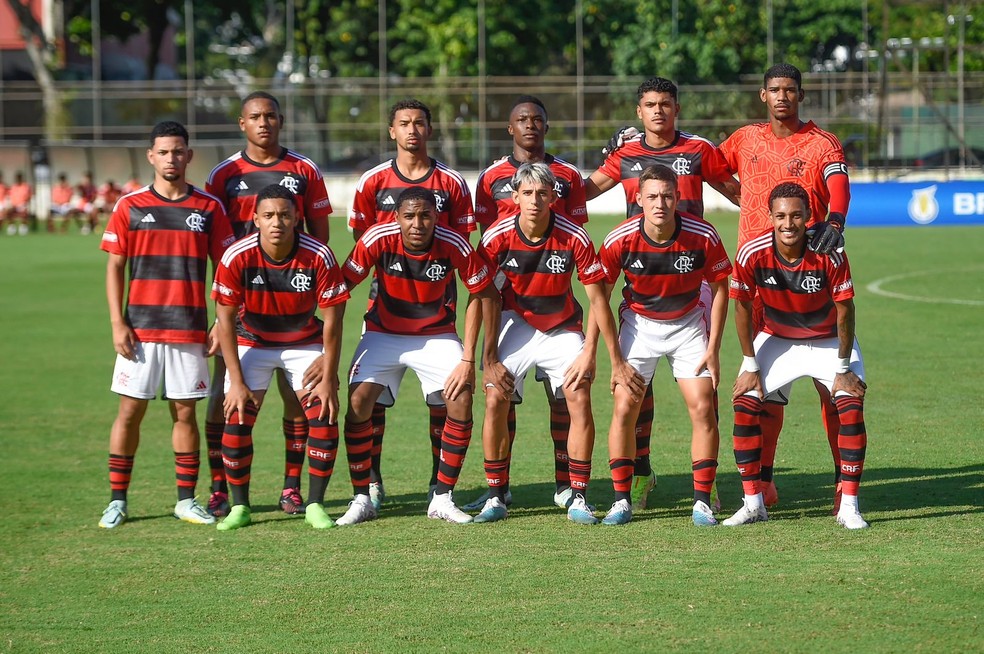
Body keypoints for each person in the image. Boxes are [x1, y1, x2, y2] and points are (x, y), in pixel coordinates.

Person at [585, 76, 740, 510]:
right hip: (641, 277)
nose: (658, 111)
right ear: (639, 111)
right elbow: (583, 192)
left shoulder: (699, 149)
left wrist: (783, 219)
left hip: (694, 277)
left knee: (703, 393)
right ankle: (640, 474)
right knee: (635, 391)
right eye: (650, 104)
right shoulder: (625, 154)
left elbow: (736, 192)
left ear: (676, 109)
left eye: (665, 104)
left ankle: (707, 483)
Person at [474, 162, 644, 524]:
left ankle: (578, 495)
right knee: (494, 397)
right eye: (527, 193)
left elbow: (598, 299)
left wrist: (602, 356)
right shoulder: (496, 236)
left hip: (562, 327)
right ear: (515, 197)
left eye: (542, 193)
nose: (534, 200)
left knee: (578, 394)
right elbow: (480, 295)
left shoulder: (574, 236)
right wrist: (485, 359)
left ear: (553, 197)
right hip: (514, 323)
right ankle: (495, 495)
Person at [719, 62, 851, 512]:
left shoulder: (821, 142)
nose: (782, 96)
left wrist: (835, 221)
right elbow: (703, 163)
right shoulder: (744, 139)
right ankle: (765, 481)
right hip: (757, 280)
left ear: (800, 94)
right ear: (763, 95)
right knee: (764, 389)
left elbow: (838, 185)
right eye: (775, 89)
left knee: (831, 386)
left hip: (809, 278)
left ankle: (843, 482)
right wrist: (736, 194)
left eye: (790, 89)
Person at [97, 120, 234, 529]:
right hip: (139, 331)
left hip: (189, 331)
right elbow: (114, 267)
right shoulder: (130, 205)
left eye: (178, 151)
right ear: (151, 156)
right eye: (163, 152)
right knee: (129, 413)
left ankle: (186, 500)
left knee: (184, 415)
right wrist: (117, 322)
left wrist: (219, 323)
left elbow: (225, 269)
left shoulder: (209, 208)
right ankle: (117, 501)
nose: (171, 158)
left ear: (188, 156)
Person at [337, 187, 502, 525]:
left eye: (425, 215)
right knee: (357, 402)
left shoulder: (453, 243)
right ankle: (362, 497)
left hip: (436, 335)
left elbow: (484, 294)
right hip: (383, 333)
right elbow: (339, 287)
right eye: (409, 216)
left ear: (436, 217)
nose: (417, 223)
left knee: (460, 398)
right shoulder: (376, 238)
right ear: (396, 217)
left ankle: (441, 498)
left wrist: (471, 358)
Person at [204, 91, 334, 518]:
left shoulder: (304, 169)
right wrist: (220, 313)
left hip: (293, 301)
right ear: (242, 123)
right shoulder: (224, 173)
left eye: (271, 116)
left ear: (281, 121)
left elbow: (319, 235)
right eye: (256, 117)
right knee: (226, 398)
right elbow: (216, 240)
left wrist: (303, 286)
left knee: (297, 399)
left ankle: (292, 488)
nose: (264, 123)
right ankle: (220, 488)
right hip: (239, 307)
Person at [348, 98, 477, 512]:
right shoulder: (372, 181)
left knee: (445, 399)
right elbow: (362, 244)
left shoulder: (452, 183)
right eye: (404, 123)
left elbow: (459, 248)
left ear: (429, 129)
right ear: (392, 131)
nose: (412, 130)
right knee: (370, 400)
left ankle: (440, 486)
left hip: (437, 313)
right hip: (384, 309)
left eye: (419, 123)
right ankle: (371, 480)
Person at [467, 95, 588, 512]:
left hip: (555, 298)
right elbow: (487, 246)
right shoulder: (490, 179)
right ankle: (498, 489)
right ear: (510, 127)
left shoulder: (567, 176)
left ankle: (568, 485)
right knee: (501, 392)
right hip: (508, 302)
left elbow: (573, 235)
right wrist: (481, 352)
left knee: (565, 395)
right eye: (522, 119)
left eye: (537, 119)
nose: (530, 125)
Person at [723, 182, 868, 530]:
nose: (788, 224)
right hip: (778, 338)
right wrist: (749, 364)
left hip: (828, 339)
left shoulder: (829, 253)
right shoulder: (752, 253)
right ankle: (753, 504)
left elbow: (846, 310)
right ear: (770, 217)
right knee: (745, 403)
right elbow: (741, 308)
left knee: (850, 405)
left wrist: (843, 368)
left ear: (808, 216)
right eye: (781, 216)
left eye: (796, 216)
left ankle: (849, 506)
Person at [597, 164, 731, 526]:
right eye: (653, 196)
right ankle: (621, 500)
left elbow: (721, 288)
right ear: (638, 199)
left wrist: (713, 348)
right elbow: (599, 297)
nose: (660, 203)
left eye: (668, 196)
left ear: (678, 198)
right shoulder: (619, 239)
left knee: (703, 406)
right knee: (624, 407)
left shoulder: (703, 235)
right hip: (639, 326)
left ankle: (702, 501)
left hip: (688, 324)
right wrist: (614, 360)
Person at [212, 184, 349, 531]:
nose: (277, 222)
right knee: (236, 414)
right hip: (252, 341)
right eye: (269, 215)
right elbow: (224, 321)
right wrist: (236, 382)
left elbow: (334, 318)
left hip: (304, 341)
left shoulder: (318, 255)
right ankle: (240, 507)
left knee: (323, 413)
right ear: (256, 219)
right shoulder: (237, 255)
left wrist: (329, 370)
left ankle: (315, 504)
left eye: (285, 215)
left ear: (297, 217)